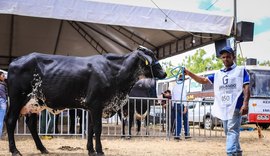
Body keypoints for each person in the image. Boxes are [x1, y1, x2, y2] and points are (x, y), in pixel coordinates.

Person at [184, 46, 250, 156]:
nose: (225, 59)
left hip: (236, 106)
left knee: (232, 130)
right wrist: (189, 73)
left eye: (228, 57)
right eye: (223, 57)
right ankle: (238, 153)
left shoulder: (240, 71)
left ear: (233, 57)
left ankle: (230, 153)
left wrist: (245, 104)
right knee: (228, 132)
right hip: (224, 107)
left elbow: (247, 87)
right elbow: (203, 80)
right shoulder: (218, 74)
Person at [171, 74, 190, 140]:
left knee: (178, 120)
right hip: (182, 104)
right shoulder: (184, 86)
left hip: (176, 104)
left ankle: (177, 135)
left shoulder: (175, 86)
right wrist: (185, 106)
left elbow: (172, 97)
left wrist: (173, 105)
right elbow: (184, 96)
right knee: (185, 119)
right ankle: (187, 134)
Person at [0, 71, 7, 139]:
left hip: (2, 101)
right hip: (2, 101)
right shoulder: (3, 84)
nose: (4, 77)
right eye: (3, 75)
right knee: (0, 120)